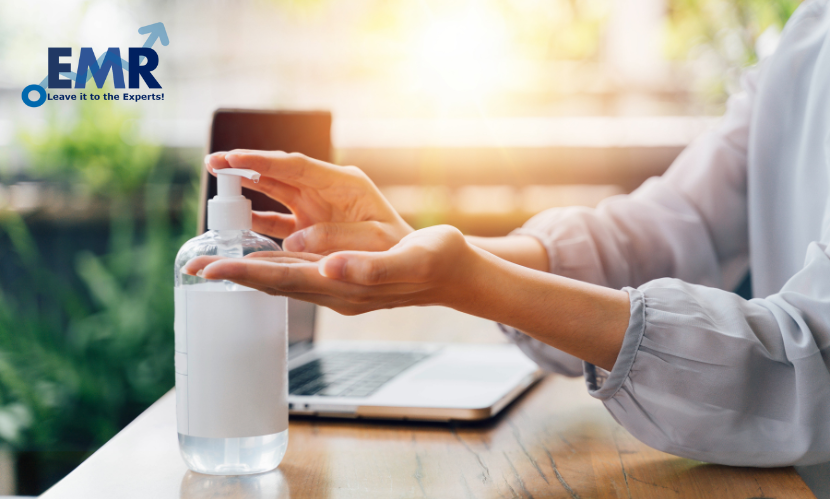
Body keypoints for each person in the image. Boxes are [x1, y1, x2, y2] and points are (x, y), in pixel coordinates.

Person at [184, 0, 830, 468]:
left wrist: (472, 280)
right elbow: (659, 232)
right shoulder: (807, 38)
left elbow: (809, 367)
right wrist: (418, 248)